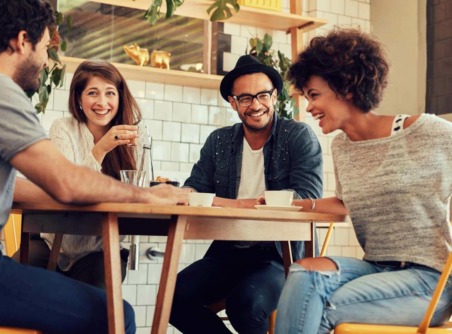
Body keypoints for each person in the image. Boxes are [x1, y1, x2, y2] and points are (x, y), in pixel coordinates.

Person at [0, 1, 186, 333]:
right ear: (21, 41)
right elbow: (67, 182)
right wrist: (146, 196)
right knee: (117, 315)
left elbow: (4, 184)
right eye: (45, 47)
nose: (46, 61)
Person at [274, 28, 452, 333]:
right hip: (376, 267)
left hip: (431, 280)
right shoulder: (342, 147)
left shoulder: (428, 132)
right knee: (304, 273)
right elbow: (344, 203)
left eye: (314, 95)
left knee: (324, 306)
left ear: (347, 87)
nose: (309, 106)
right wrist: (286, 205)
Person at [169, 54, 323, 333]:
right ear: (233, 102)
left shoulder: (298, 136)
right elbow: (195, 189)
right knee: (170, 298)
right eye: (245, 98)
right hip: (227, 252)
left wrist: (244, 204)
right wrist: (178, 193)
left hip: (278, 255)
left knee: (246, 305)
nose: (255, 105)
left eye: (262, 95)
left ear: (275, 96)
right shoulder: (219, 141)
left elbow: (307, 194)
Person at [18, 59, 146, 287]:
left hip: (100, 249)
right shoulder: (63, 128)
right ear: (79, 98)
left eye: (110, 93)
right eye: (93, 93)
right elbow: (66, 186)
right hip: (52, 242)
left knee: (97, 303)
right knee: (7, 284)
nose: (102, 102)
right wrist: (100, 149)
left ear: (119, 97)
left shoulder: (133, 137)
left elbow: (138, 191)